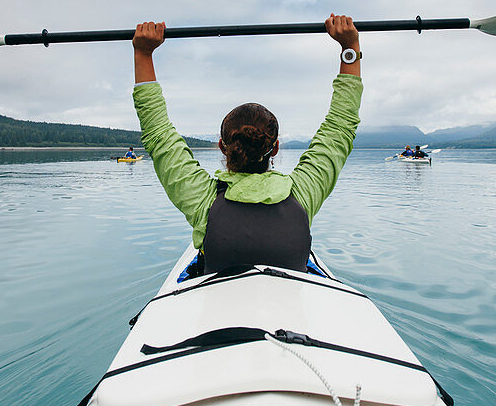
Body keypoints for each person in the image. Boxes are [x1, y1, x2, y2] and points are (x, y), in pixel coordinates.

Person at [132, 15, 362, 275]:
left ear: (222, 146)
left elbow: (158, 132)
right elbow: (341, 126)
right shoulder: (303, 194)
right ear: (274, 148)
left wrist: (143, 52)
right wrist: (349, 48)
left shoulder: (203, 200)